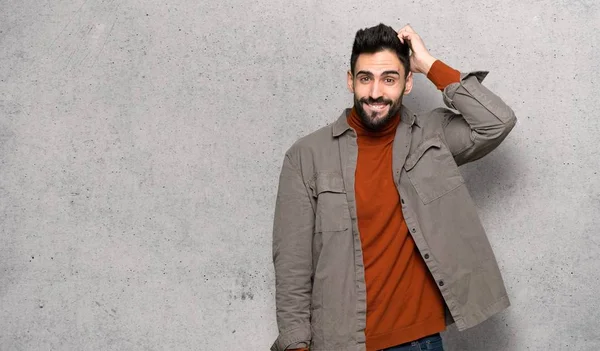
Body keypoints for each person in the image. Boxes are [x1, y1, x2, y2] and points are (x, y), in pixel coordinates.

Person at [271, 23, 516, 351]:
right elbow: (292, 267)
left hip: (419, 343)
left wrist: (429, 63)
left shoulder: (431, 136)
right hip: (341, 344)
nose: (375, 92)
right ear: (350, 80)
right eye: (365, 78)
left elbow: (496, 122)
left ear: (408, 82)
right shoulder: (307, 156)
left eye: (389, 78)